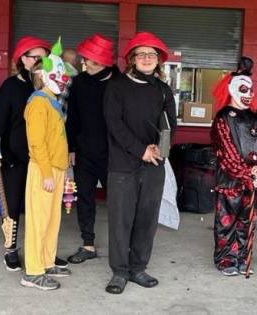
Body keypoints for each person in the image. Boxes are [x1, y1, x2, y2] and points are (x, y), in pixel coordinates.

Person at [0, 36, 68, 271]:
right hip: (17, 156)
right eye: (33, 57)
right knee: (14, 204)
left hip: (44, 158)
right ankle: (11, 249)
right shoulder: (11, 86)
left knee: (42, 209)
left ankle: (44, 254)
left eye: (43, 57)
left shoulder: (50, 89)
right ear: (21, 59)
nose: (39, 61)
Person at [102, 32, 176, 294]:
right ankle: (119, 272)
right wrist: (139, 150)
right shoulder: (117, 87)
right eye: (141, 54)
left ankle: (138, 268)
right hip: (122, 165)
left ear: (158, 61)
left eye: (152, 54)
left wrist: (159, 148)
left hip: (154, 164)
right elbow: (114, 124)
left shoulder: (163, 90)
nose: (146, 58)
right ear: (132, 59)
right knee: (121, 221)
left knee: (147, 219)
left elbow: (170, 125)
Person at [210, 57, 257, 276]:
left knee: (247, 222)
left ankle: (242, 258)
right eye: (243, 89)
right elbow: (226, 150)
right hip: (231, 181)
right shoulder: (223, 118)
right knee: (227, 222)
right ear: (231, 89)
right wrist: (247, 172)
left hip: (252, 181)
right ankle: (226, 259)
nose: (248, 94)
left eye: (251, 89)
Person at [19, 38, 75, 291]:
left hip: (56, 169)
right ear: (42, 75)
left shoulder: (53, 101)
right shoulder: (38, 103)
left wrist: (62, 169)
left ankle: (47, 261)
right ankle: (32, 271)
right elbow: (37, 144)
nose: (63, 78)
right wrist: (46, 173)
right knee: (39, 221)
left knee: (52, 220)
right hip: (44, 170)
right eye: (57, 72)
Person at [64, 34, 119, 264]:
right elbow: (72, 117)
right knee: (85, 198)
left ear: (106, 61)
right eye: (86, 60)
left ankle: (120, 246)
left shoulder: (120, 82)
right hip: (84, 151)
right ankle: (87, 244)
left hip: (114, 153)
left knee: (118, 201)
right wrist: (70, 147)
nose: (88, 65)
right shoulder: (79, 82)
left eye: (93, 61)